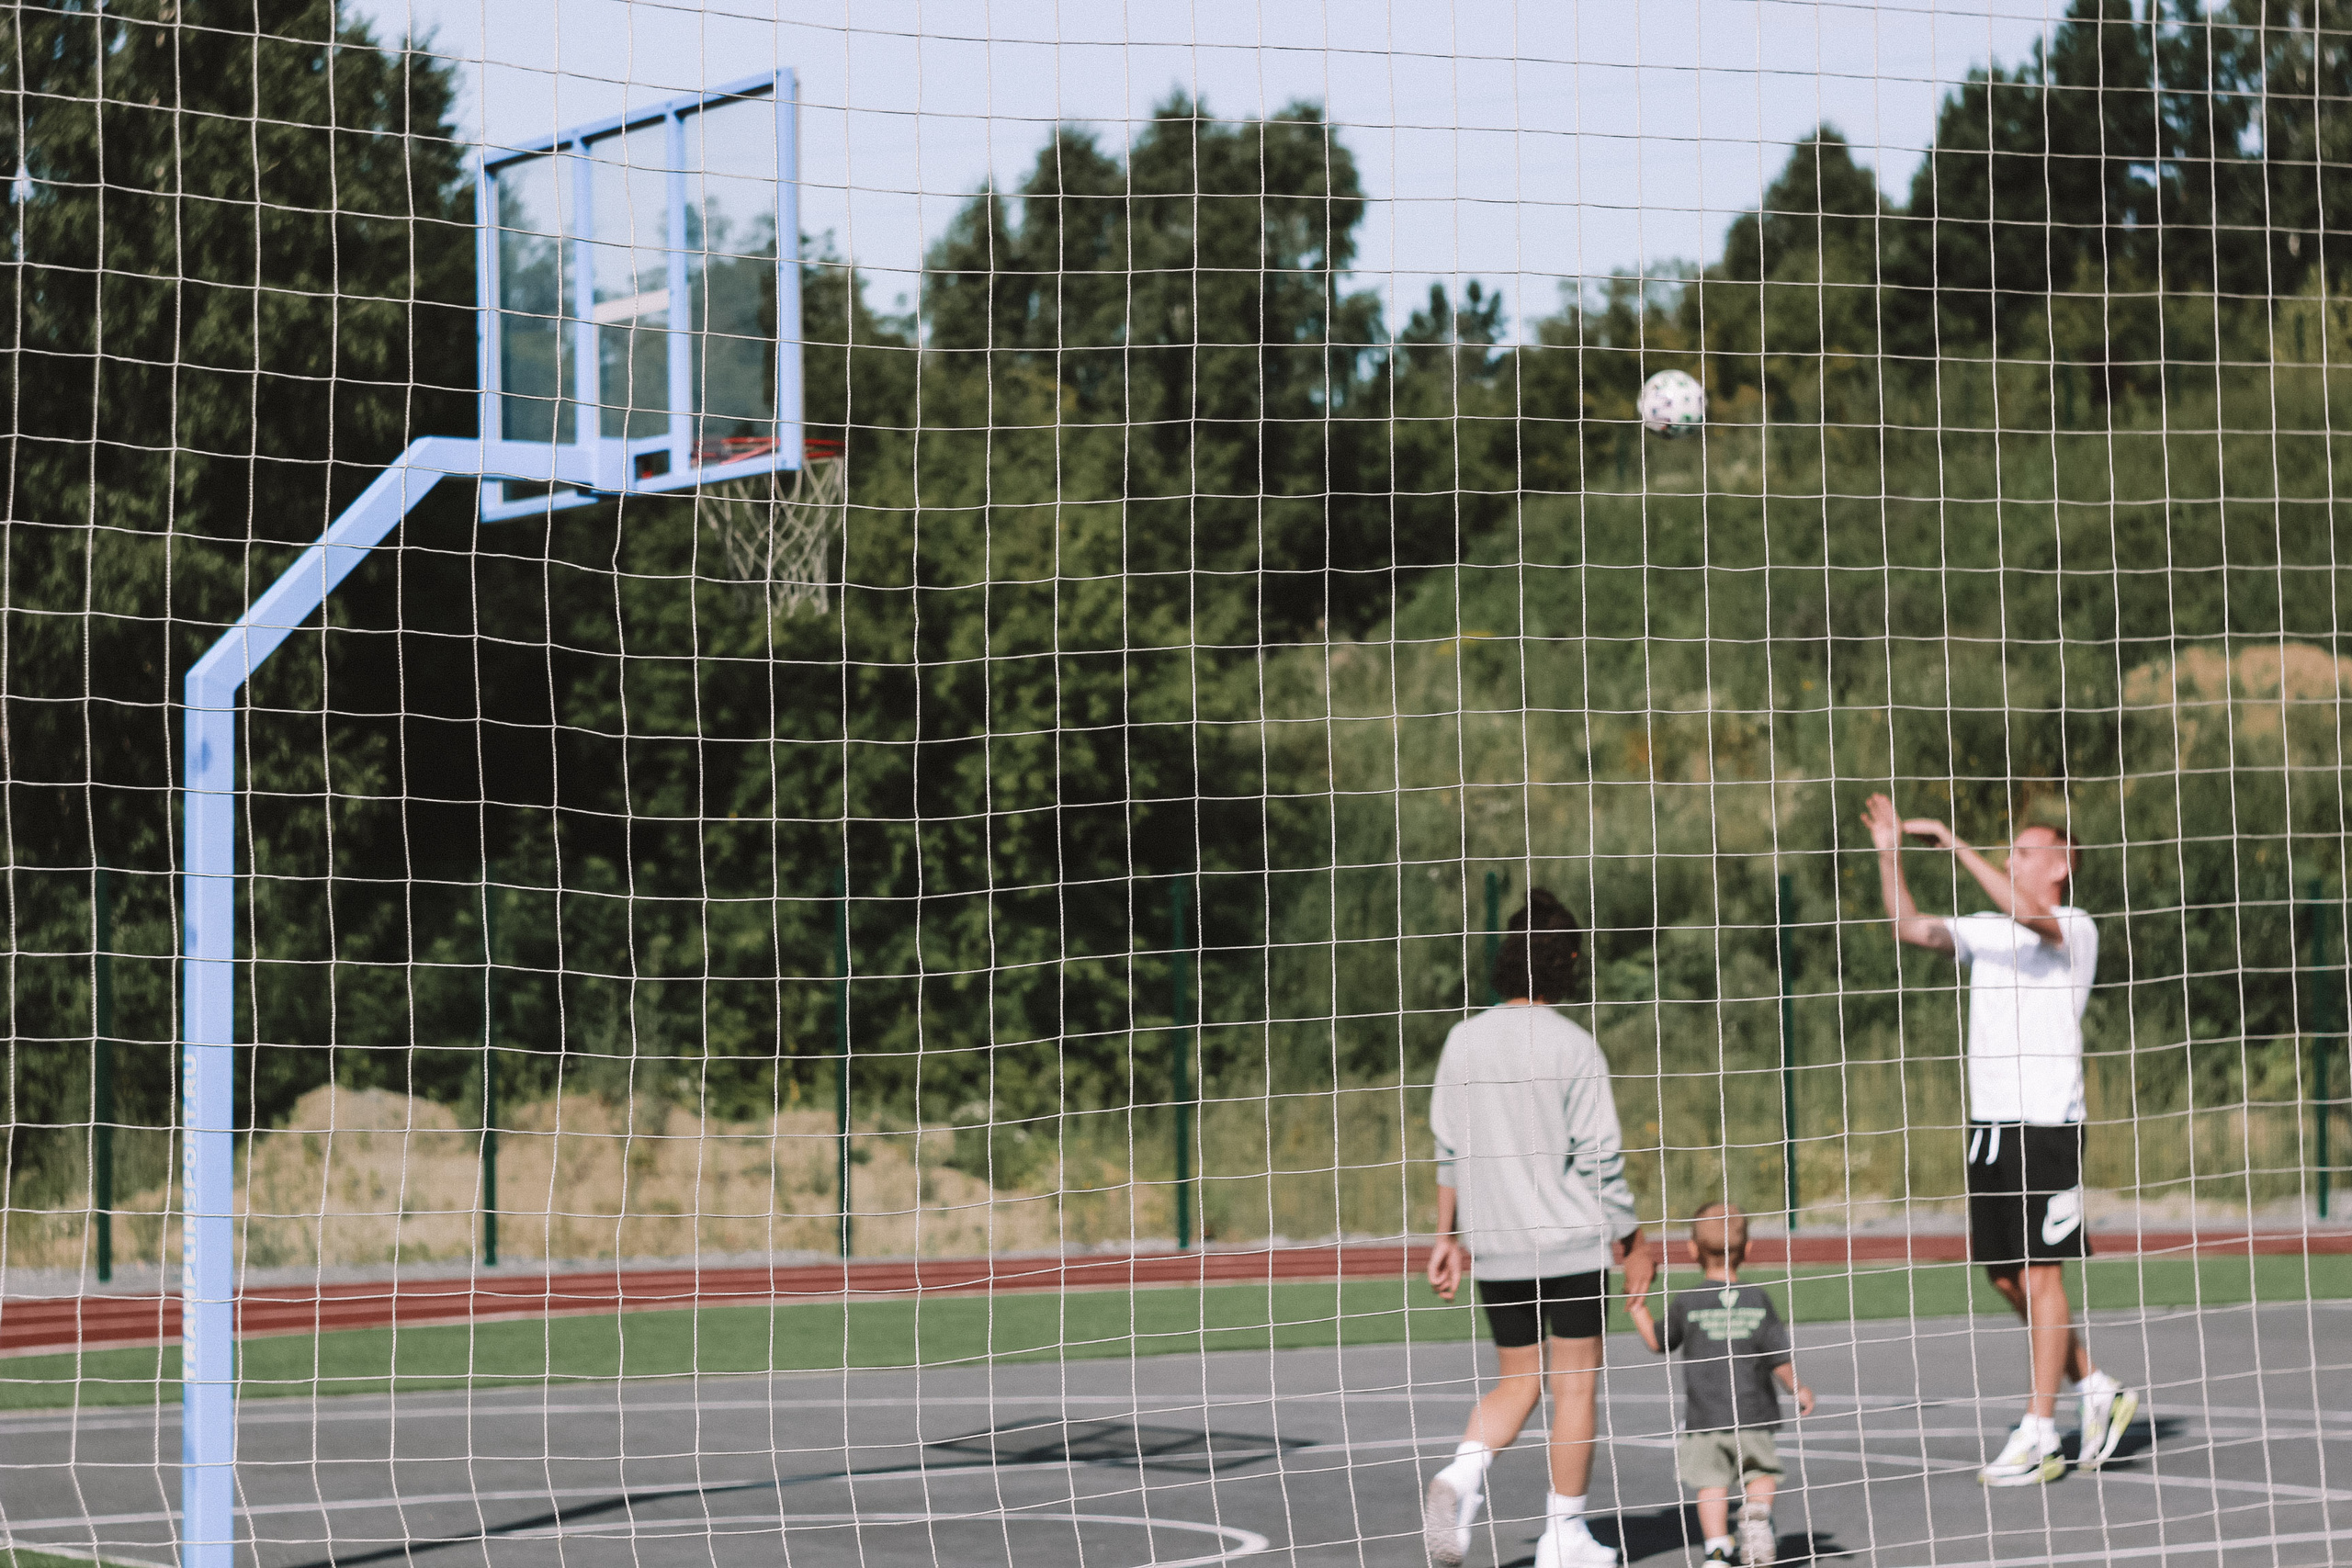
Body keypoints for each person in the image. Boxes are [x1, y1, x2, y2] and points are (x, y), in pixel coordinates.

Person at [1861, 795, 2137, 1484]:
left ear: (2061, 862)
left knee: (2043, 1272)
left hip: (2046, 1123)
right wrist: (1889, 852)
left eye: (2023, 850)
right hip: (1991, 1125)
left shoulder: (2073, 925)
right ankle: (2095, 1386)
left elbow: (2032, 916)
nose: (2011, 857)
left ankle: (2041, 1431)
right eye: (2007, 850)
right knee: (2005, 1275)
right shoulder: (1990, 929)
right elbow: (1909, 926)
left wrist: (1955, 843)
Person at [1423, 889, 1655, 1568]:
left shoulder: (1462, 1040)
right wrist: (1634, 1240)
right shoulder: (1575, 1046)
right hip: (1570, 1242)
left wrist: (1447, 1237)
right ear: (1571, 960)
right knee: (1574, 1386)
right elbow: (1601, 1159)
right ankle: (1564, 1536)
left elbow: (1447, 1148)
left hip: (1495, 1244)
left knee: (1517, 1380)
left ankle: (1461, 1477)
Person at [1624, 1202, 1813, 1567]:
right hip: (1755, 1414)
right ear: (1750, 1249)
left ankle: (1716, 1550)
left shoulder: (1688, 1302)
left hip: (1705, 1417)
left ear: (1693, 1250)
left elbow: (1657, 1342)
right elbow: (1779, 1357)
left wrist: (1637, 1307)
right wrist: (1797, 1387)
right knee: (1761, 1474)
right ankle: (1757, 1518)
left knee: (1711, 1483)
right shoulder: (1758, 1300)